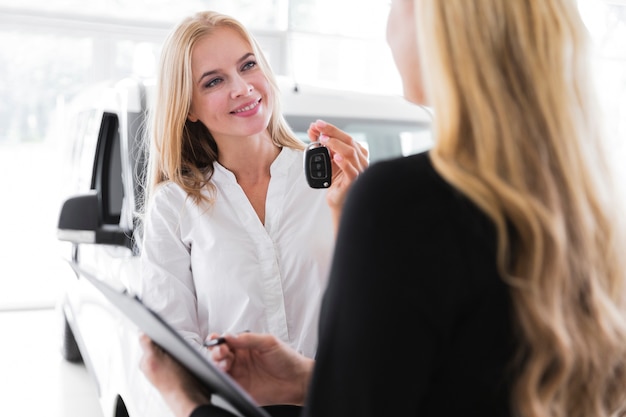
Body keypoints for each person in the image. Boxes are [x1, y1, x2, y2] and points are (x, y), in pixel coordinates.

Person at [139, 0, 626, 416]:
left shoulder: (390, 199)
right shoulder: (590, 204)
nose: (389, 24)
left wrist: (181, 396)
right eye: (213, 81)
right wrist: (307, 379)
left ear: (443, 29)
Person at [135, 7, 368, 370]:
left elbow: (381, 310)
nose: (242, 89)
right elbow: (174, 347)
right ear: (188, 107)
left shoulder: (334, 178)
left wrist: (361, 210)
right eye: (213, 81)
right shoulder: (173, 207)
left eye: (248, 66)